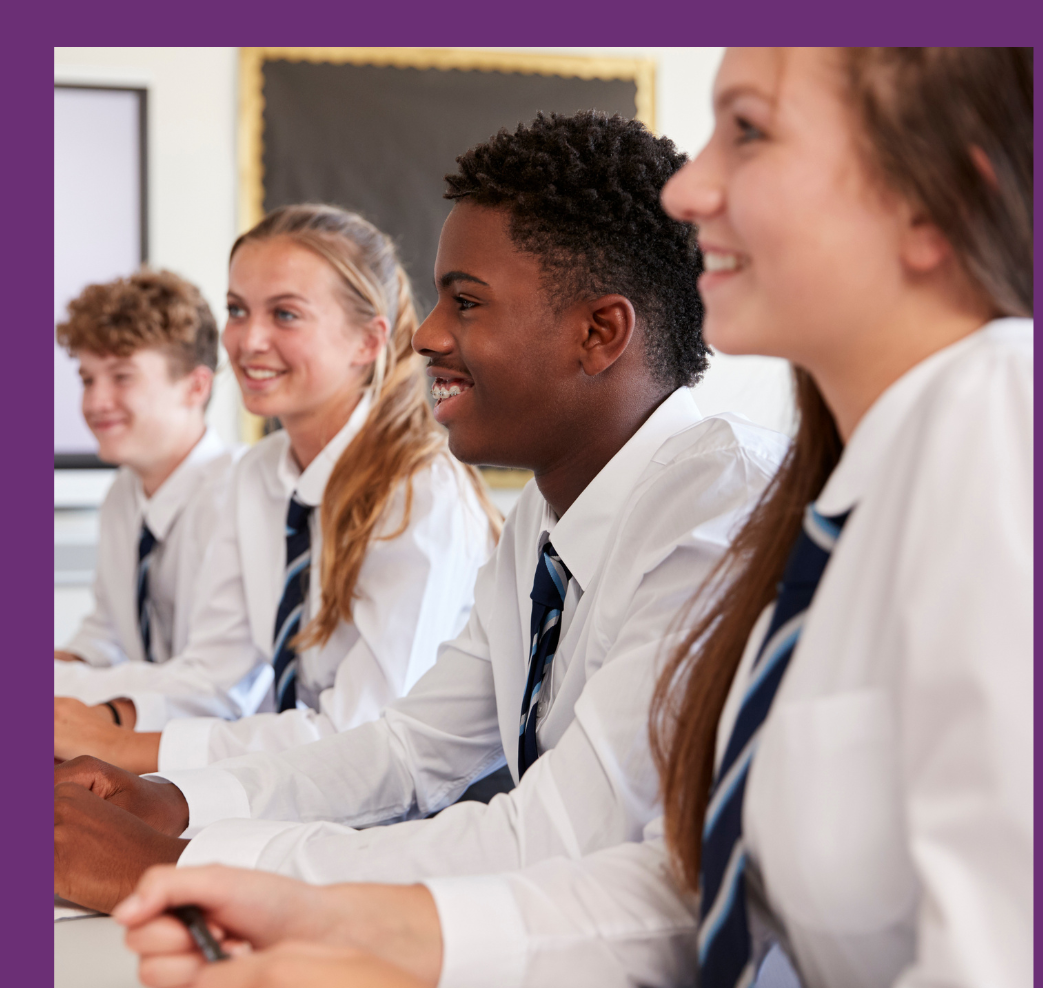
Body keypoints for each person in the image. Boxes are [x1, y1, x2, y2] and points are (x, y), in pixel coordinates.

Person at [116, 47, 1032, 988]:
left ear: (933, 203)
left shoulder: (1000, 422)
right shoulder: (822, 488)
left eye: (751, 130)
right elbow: (694, 881)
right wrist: (326, 914)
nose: (692, 184)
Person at [53, 112, 787, 915]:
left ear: (599, 331)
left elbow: (559, 840)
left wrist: (182, 865)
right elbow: (409, 751)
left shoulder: (718, 511)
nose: (426, 336)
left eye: (465, 303)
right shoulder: (547, 520)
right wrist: (173, 801)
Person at [54, 205, 498, 776]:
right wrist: (94, 721)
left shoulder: (420, 494)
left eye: (285, 314)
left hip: (407, 814)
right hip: (293, 786)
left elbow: (367, 738)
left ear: (367, 341)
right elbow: (216, 680)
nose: (247, 340)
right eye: (237, 310)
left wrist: (124, 747)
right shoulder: (259, 475)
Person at [54, 269, 241, 674]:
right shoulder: (123, 495)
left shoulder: (238, 498)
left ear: (195, 387)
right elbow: (108, 636)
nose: (95, 402)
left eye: (122, 377)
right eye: (88, 380)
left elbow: (213, 684)